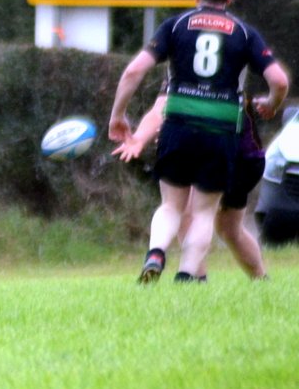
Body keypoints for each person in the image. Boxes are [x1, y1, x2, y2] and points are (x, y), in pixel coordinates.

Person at [107, 0, 288, 283]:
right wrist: (272, 104)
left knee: (172, 206)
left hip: (179, 125)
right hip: (222, 131)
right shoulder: (244, 33)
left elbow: (134, 71)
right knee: (204, 212)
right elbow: (279, 81)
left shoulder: (175, 26)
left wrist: (118, 115)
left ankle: (156, 252)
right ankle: (188, 276)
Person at [114, 86, 269, 280]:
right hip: (243, 155)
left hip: (234, 153)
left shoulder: (203, 70)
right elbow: (160, 108)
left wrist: (144, 136)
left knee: (191, 213)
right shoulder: (186, 73)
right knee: (228, 229)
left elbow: (159, 108)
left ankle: (189, 276)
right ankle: (257, 280)